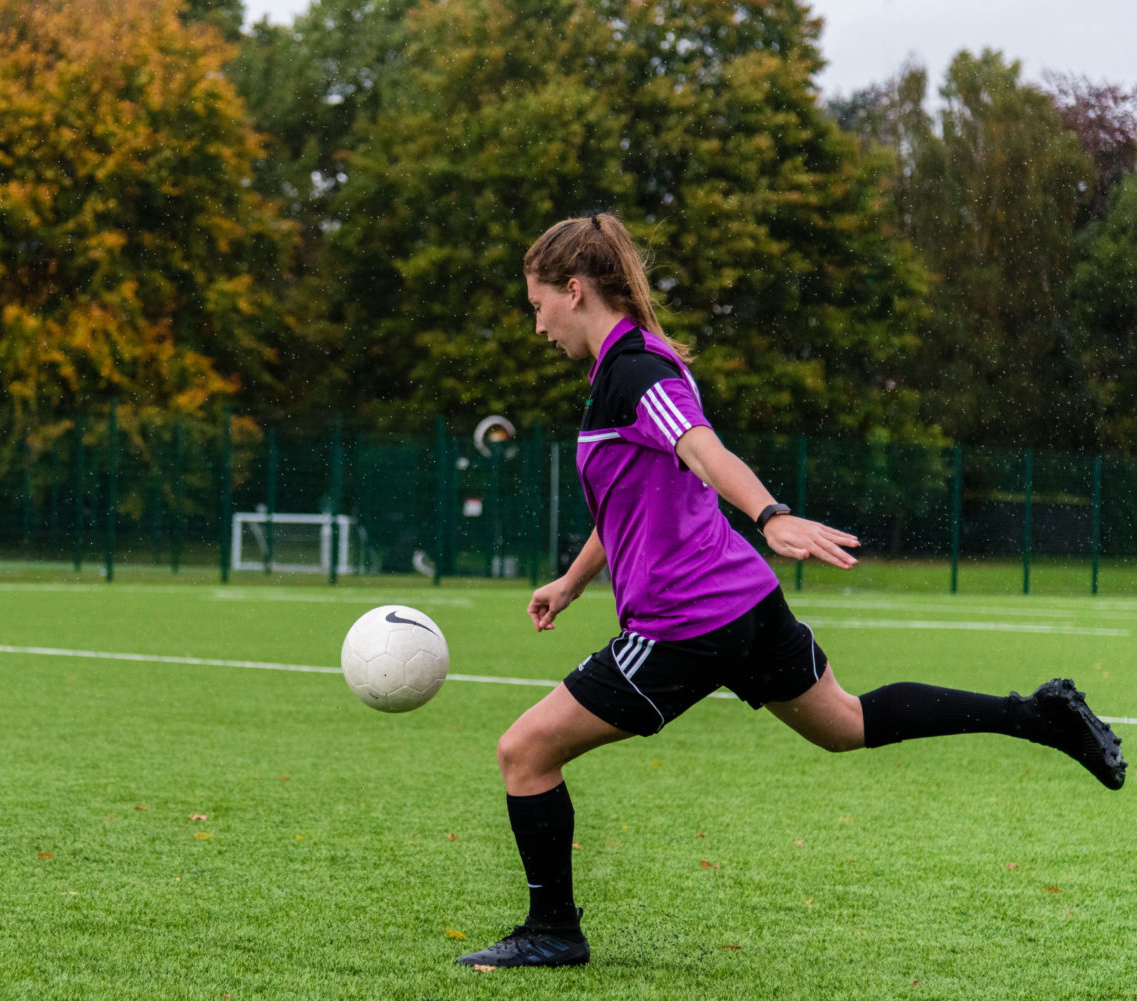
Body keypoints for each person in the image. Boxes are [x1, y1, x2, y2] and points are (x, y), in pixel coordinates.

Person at [454, 213, 1126, 969]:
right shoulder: (625, 371)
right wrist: (573, 582)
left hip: (685, 623)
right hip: (741, 602)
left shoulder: (638, 372)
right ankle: (1036, 715)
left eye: (537, 302)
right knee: (843, 722)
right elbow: (637, 501)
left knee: (525, 752)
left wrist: (769, 512)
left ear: (573, 289)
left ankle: (552, 930)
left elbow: (704, 452)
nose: (537, 323)